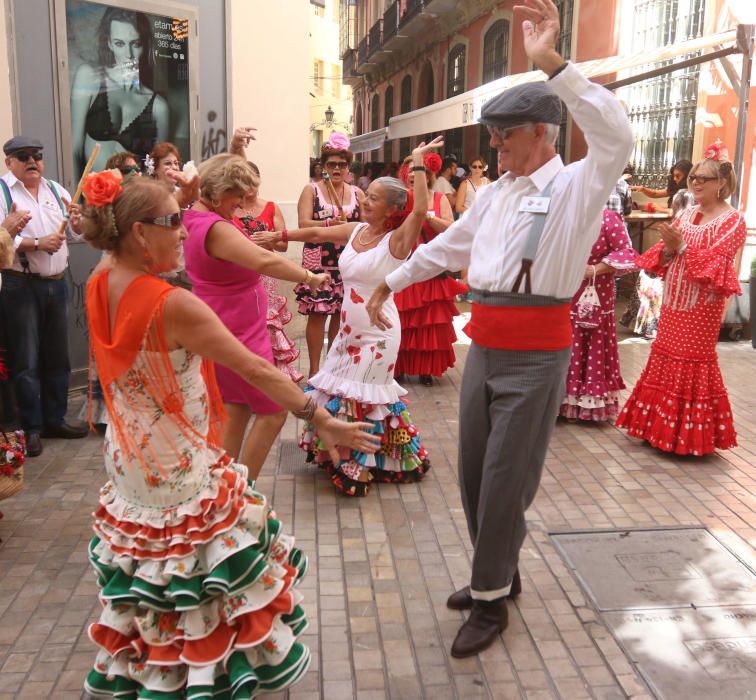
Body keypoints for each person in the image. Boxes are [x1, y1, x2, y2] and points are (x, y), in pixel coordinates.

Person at [366, 0, 633, 657]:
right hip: (483, 345)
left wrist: (554, 67)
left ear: (541, 131)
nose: (493, 145)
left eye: (503, 134)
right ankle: (499, 572)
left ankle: (490, 602)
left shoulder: (577, 183)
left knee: (508, 476)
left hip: (538, 354)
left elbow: (618, 138)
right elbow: (447, 248)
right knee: (474, 475)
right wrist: (389, 282)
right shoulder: (493, 194)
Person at [77, 173, 378, 698]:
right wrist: (320, 416)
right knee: (201, 577)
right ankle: (201, 674)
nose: (183, 233)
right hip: (179, 470)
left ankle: (158, 669)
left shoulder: (100, 280)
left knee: (154, 577)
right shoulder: (172, 304)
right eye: (173, 221)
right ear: (139, 233)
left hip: (129, 464)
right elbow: (259, 371)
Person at [257, 137, 444, 496]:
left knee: (366, 397)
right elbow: (315, 231)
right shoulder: (357, 230)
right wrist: (278, 235)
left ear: (391, 208)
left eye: (373, 197)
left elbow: (420, 209)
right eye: (365, 193)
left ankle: (357, 463)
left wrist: (418, 162)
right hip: (346, 332)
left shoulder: (397, 240)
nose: (363, 198)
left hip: (378, 334)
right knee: (343, 392)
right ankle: (344, 452)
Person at [183, 154, 329, 481]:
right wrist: (309, 276)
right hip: (236, 328)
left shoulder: (198, 214)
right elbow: (264, 261)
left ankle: (222, 485)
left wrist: (237, 149)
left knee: (236, 407)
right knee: (274, 411)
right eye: (239, 195)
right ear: (221, 191)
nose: (244, 202)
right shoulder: (214, 226)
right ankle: (240, 488)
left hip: (230, 321)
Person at [616, 141, 746, 455]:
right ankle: (656, 429)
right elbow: (663, 256)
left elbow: (716, 265)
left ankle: (684, 436)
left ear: (723, 183)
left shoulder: (733, 221)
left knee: (691, 360)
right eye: (693, 178)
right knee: (663, 353)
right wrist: (672, 246)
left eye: (704, 178)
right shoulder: (687, 214)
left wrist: (682, 248)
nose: (696, 182)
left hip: (702, 306)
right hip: (675, 300)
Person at [0, 136, 90, 458]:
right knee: (25, 361)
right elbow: (2, 237)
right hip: (20, 284)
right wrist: (37, 243)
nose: (32, 161)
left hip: (57, 281)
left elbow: (76, 233)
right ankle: (30, 428)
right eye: (22, 156)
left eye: (37, 155)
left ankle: (55, 419)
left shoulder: (56, 190)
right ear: (9, 161)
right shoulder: (2, 192)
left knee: (58, 357)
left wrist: (79, 222)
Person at [294, 133, 364, 377]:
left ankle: (332, 369)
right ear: (323, 167)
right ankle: (314, 370)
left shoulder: (357, 193)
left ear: (348, 168)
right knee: (317, 314)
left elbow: (366, 225)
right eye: (332, 164)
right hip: (320, 260)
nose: (337, 169)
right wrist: (328, 224)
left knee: (339, 316)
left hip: (346, 261)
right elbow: (303, 224)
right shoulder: (312, 190)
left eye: (342, 165)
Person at [71, 7, 168, 179]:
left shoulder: (159, 107)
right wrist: (76, 200)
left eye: (135, 44)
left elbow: (159, 172)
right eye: (119, 43)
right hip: (92, 201)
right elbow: (74, 149)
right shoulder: (89, 78)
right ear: (109, 43)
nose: (128, 55)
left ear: (145, 45)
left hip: (135, 201)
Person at [559, 210, 637, 421]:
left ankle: (589, 404)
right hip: (561, 292)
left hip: (595, 293)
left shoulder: (608, 217)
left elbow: (626, 252)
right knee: (562, 339)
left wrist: (594, 269)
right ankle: (560, 399)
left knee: (591, 340)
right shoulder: (562, 212)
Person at [233, 160, 304, 383]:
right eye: (245, 181)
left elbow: (283, 245)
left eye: (254, 180)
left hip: (266, 275)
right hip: (238, 273)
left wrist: (270, 237)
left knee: (267, 324)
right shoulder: (231, 208)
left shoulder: (271, 207)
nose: (250, 186)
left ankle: (270, 377)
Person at [394, 153, 461, 386]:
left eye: (418, 171)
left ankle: (425, 370)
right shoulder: (399, 198)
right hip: (404, 264)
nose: (413, 175)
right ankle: (398, 368)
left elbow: (451, 228)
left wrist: (430, 219)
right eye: (410, 171)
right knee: (402, 320)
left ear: (429, 175)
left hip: (431, 268)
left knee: (427, 322)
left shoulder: (439, 198)